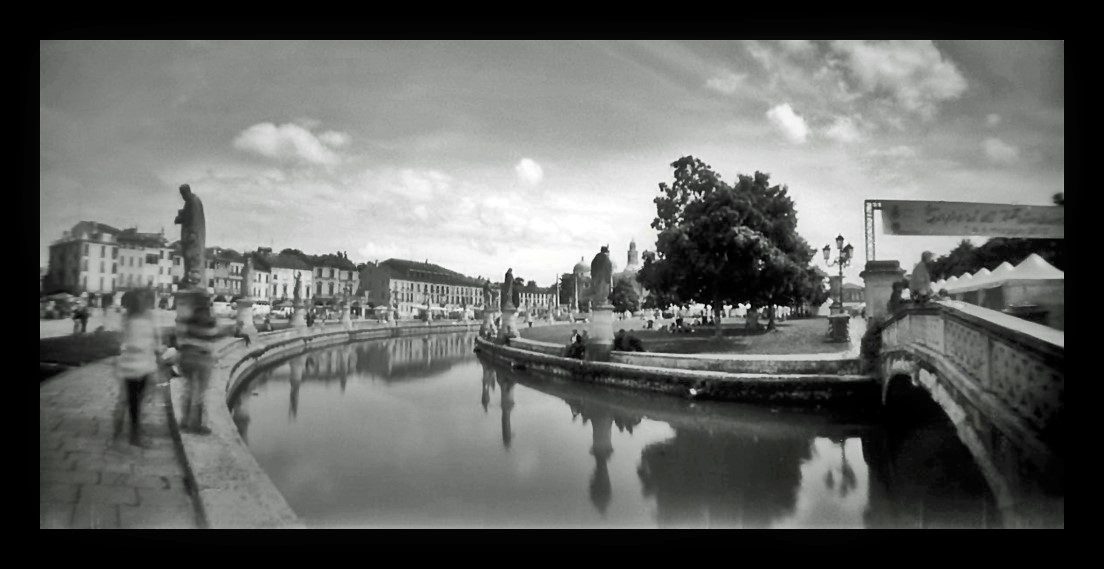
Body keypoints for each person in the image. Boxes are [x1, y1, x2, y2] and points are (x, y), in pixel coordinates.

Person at [113, 289, 163, 447]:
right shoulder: (141, 319)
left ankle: (127, 428)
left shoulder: (129, 318)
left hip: (136, 364)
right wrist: (156, 350)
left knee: (133, 399)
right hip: (137, 365)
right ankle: (134, 434)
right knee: (135, 400)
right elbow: (151, 340)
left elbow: (120, 340)